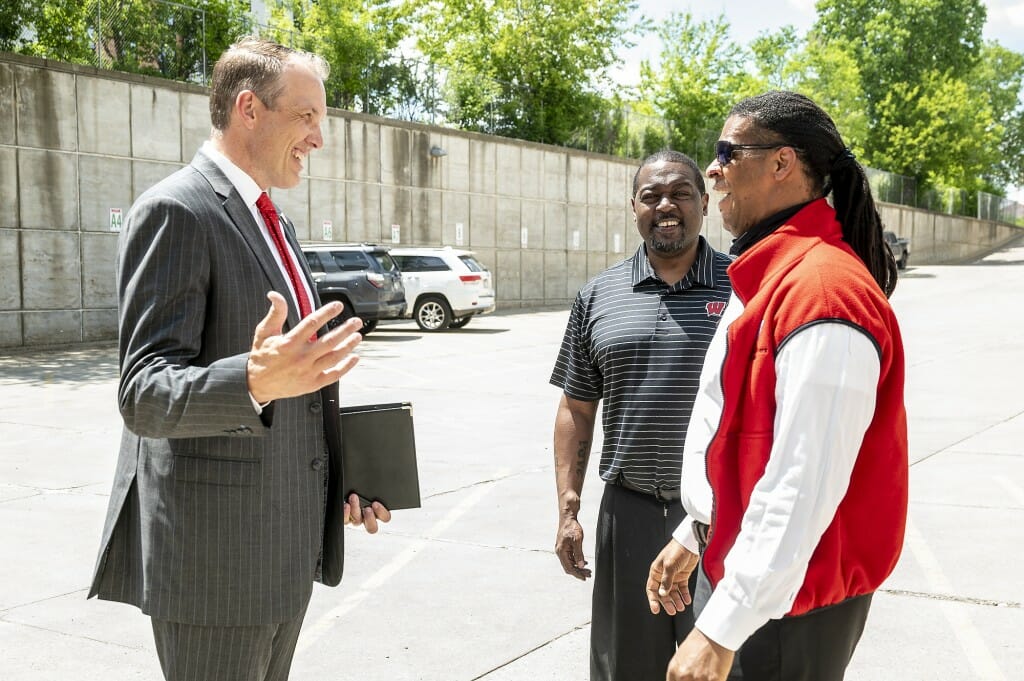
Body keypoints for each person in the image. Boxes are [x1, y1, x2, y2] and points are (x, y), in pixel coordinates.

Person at [88, 37, 390, 681]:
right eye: (306, 117)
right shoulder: (177, 210)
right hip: (215, 568)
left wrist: (344, 480)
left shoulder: (269, 218)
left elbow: (295, 389)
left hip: (283, 548)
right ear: (249, 108)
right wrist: (253, 379)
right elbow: (143, 392)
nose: (319, 138)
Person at [646, 90, 907, 681]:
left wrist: (721, 627)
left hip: (789, 607)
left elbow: (802, 480)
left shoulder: (822, 291)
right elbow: (743, 439)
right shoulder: (774, 274)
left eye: (725, 152)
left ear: (782, 163)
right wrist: (698, 529)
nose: (711, 170)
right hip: (762, 585)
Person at [550, 150, 733, 680]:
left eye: (680, 193)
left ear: (704, 202)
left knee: (714, 667)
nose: (666, 206)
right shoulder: (599, 294)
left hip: (717, 520)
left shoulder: (744, 287)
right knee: (624, 668)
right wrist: (568, 508)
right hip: (626, 515)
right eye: (652, 196)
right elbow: (576, 407)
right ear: (634, 207)